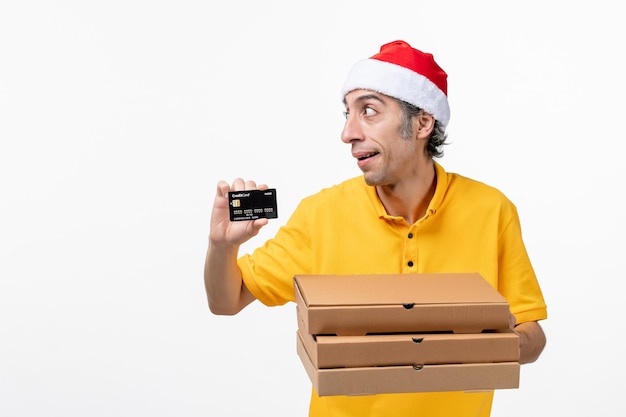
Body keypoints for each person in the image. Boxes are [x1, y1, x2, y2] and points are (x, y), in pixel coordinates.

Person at [204, 40, 547, 417]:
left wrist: (478, 347)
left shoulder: (491, 210)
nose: (348, 132)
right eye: (347, 114)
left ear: (422, 122)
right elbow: (227, 300)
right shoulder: (321, 214)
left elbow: (532, 335)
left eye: (368, 111)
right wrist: (222, 246)